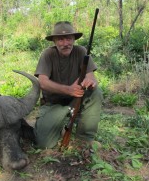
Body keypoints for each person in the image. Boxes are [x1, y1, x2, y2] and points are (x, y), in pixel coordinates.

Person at [33, 21, 103, 149]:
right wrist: (69, 90)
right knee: (43, 144)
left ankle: (84, 138)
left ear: (74, 39)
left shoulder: (81, 51)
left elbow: (91, 76)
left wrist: (91, 82)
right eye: (60, 39)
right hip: (53, 104)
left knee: (96, 92)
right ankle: (60, 123)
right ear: (54, 41)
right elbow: (42, 82)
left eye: (69, 38)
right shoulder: (47, 54)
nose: (65, 43)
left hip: (75, 101)